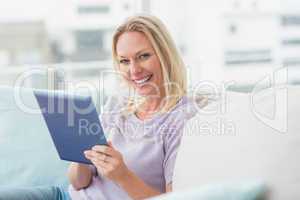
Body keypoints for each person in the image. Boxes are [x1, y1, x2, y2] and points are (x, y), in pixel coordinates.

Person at [0, 14, 199, 200]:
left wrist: (122, 176)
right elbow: (78, 183)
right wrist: (81, 153)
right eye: (124, 61)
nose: (134, 70)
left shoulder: (181, 118)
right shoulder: (118, 104)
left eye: (143, 56)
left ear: (165, 55)